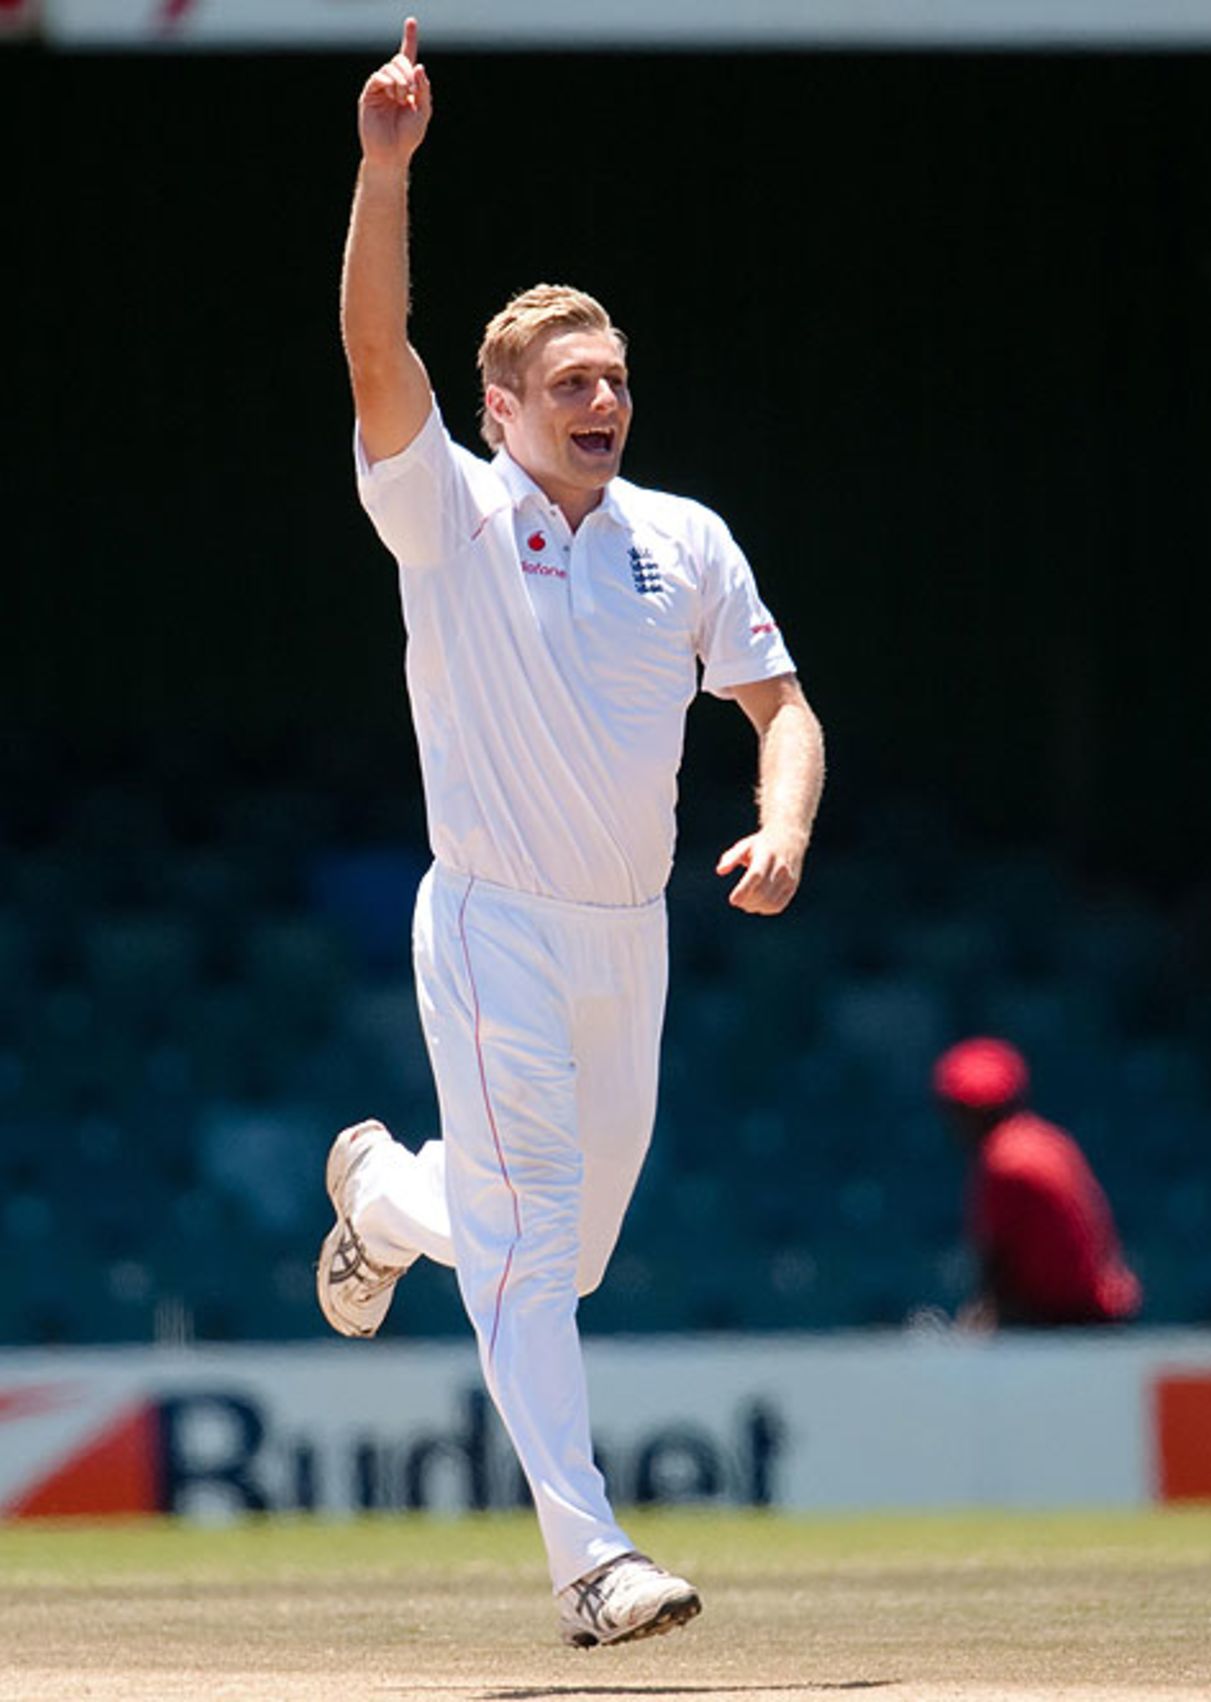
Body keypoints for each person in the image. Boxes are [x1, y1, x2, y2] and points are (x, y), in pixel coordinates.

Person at [315, 18, 825, 1651]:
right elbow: (372, 347)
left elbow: (781, 707)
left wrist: (784, 818)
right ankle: (592, 1561)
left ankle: (388, 1192)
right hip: (493, 921)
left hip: (634, 931)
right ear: (506, 403)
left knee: (565, 1247)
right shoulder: (450, 511)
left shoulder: (684, 543)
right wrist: (385, 170)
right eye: (571, 381)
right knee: (535, 1247)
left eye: (616, 377)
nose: (604, 397)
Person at [932, 1037, 1142, 1329]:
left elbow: (997, 1276)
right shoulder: (1051, 1141)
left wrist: (972, 1329)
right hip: (1107, 1320)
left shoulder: (1003, 1160)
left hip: (1066, 1326)